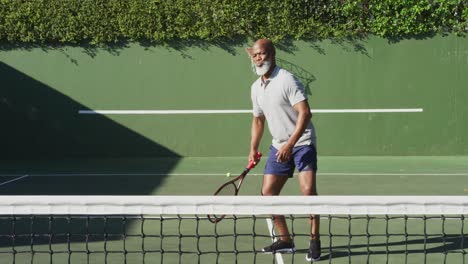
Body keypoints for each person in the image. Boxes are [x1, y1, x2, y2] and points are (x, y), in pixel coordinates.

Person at [246, 39, 321, 262]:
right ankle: (286, 240)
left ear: (272, 54)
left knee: (308, 191)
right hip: (279, 145)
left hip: (302, 142)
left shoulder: (287, 79)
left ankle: (314, 240)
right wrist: (253, 148)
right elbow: (258, 120)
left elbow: (305, 113)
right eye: (255, 55)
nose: (258, 58)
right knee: (268, 194)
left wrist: (291, 144)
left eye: (262, 54)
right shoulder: (256, 88)